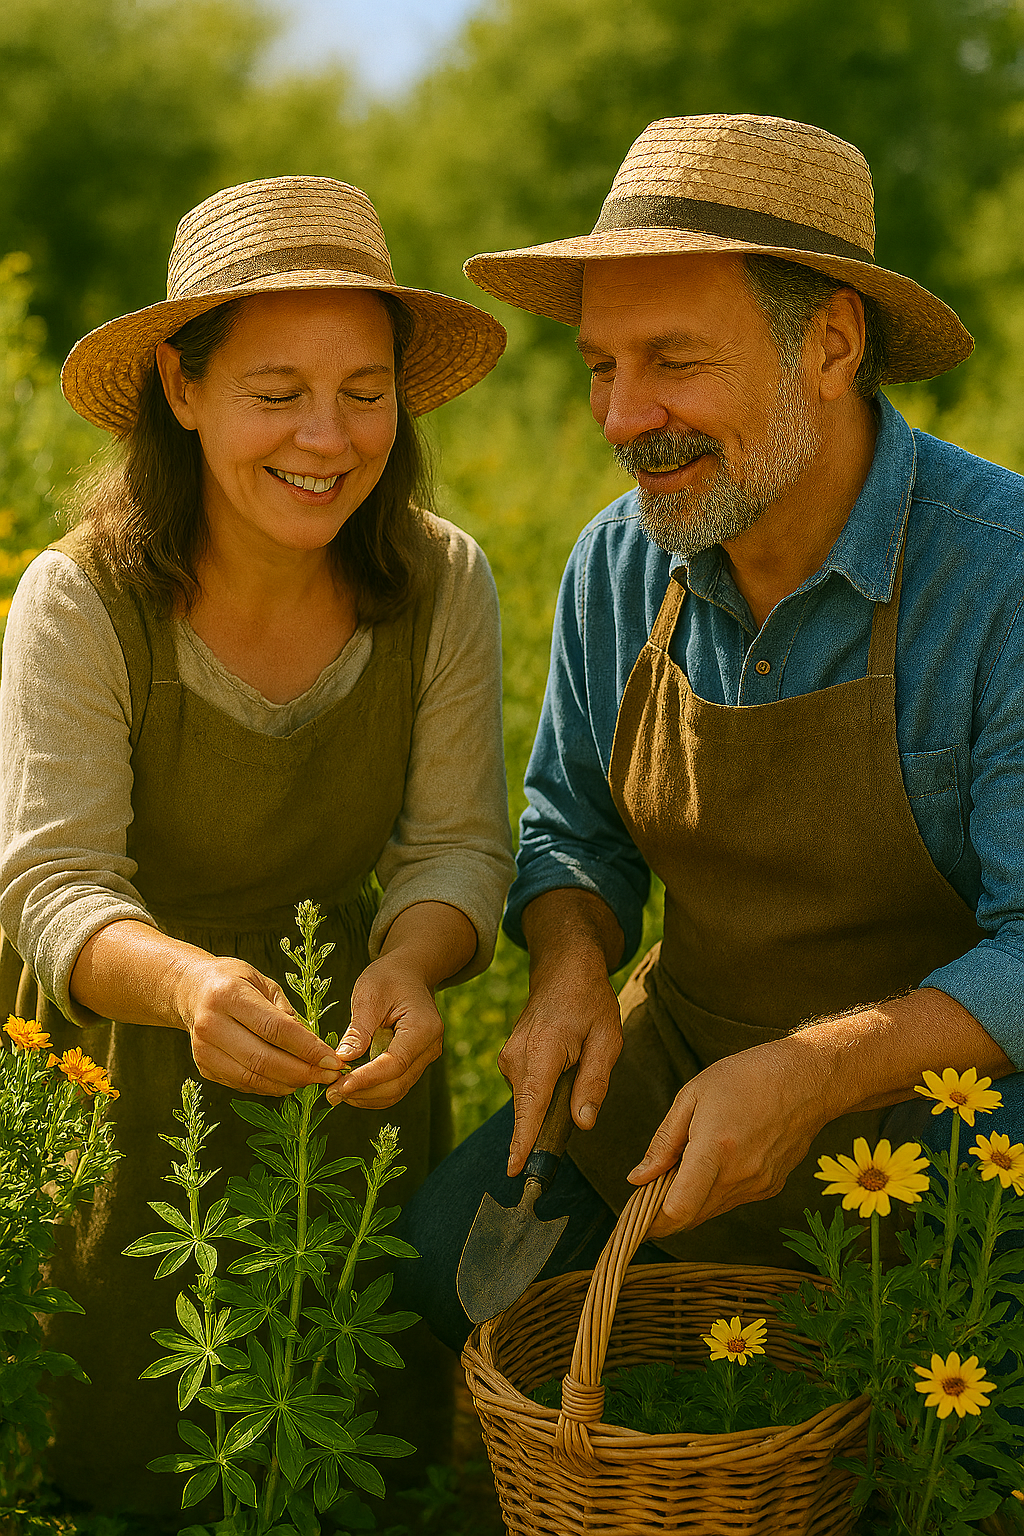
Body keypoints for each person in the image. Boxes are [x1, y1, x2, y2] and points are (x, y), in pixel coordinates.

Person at [396, 114, 1024, 1352]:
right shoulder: (617, 563)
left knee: (950, 1407)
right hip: (680, 1058)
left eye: (673, 361)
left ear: (831, 344)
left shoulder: (996, 577)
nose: (625, 417)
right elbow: (571, 831)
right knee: (424, 1281)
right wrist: (572, 967)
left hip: (946, 1100)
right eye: (598, 366)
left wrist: (809, 1074)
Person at [0, 175, 515, 1518]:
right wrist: (191, 989)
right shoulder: (80, 597)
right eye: (275, 389)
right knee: (128, 1461)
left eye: (364, 389)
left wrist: (414, 962)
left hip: (353, 1069)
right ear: (182, 386)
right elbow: (52, 887)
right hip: (120, 1071)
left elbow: (457, 848)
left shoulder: (442, 578)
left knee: (354, 1448)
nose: (328, 437)